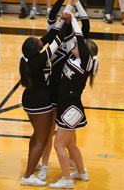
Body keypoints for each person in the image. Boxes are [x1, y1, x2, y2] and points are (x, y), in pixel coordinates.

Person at [18, 11, 72, 186]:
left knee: (36, 135)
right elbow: (56, 41)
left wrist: (60, 22)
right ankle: (27, 176)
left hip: (28, 99)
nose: (40, 40)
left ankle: (31, 164)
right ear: (37, 49)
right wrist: (67, 23)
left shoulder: (26, 57)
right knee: (42, 140)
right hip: (41, 101)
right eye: (38, 42)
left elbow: (48, 37)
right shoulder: (41, 59)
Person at [49, 13, 98, 189]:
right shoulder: (73, 58)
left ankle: (67, 179)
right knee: (70, 144)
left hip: (71, 108)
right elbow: (73, 38)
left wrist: (74, 20)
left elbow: (79, 35)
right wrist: (68, 17)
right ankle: (81, 172)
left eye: (79, 46)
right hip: (67, 107)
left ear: (86, 52)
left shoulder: (85, 62)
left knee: (58, 144)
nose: (75, 46)